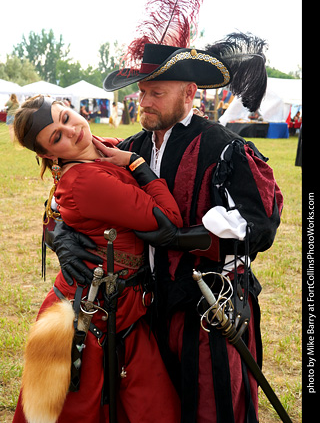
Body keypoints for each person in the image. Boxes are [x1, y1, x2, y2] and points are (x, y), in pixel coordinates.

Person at [49, 34, 283, 423]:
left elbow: (259, 226)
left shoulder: (223, 148)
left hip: (210, 308)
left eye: (156, 93)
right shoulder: (130, 146)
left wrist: (180, 238)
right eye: (142, 92)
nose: (143, 102)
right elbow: (72, 199)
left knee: (211, 409)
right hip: (144, 309)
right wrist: (64, 240)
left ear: (189, 93)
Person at [12, 95, 182, 423]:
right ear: (48, 154)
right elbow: (168, 221)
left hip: (124, 308)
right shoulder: (86, 181)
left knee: (151, 406)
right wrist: (136, 164)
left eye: (66, 116)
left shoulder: (100, 146)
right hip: (94, 316)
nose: (72, 130)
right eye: (57, 136)